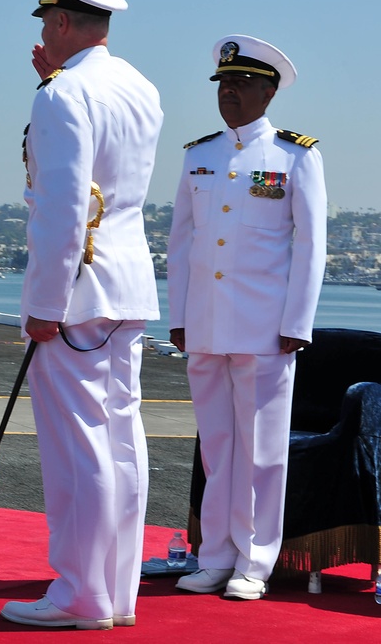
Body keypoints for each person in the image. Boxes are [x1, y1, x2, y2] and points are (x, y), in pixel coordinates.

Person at [0, 0, 163, 630]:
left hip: (77, 295)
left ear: (63, 23)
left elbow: (63, 212)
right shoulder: (139, 86)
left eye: (46, 22)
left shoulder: (64, 95)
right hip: (126, 288)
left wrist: (44, 303)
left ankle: (79, 595)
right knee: (123, 443)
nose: (42, 34)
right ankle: (116, 593)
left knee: (79, 450)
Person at [167, 35, 327, 599]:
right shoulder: (198, 155)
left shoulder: (295, 155)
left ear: (269, 90)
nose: (228, 91)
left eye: (241, 83)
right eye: (222, 83)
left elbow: (310, 246)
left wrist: (296, 323)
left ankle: (254, 564)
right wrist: (179, 315)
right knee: (217, 446)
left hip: (265, 329)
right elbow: (181, 242)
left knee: (261, 449)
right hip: (206, 325)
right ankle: (214, 555)